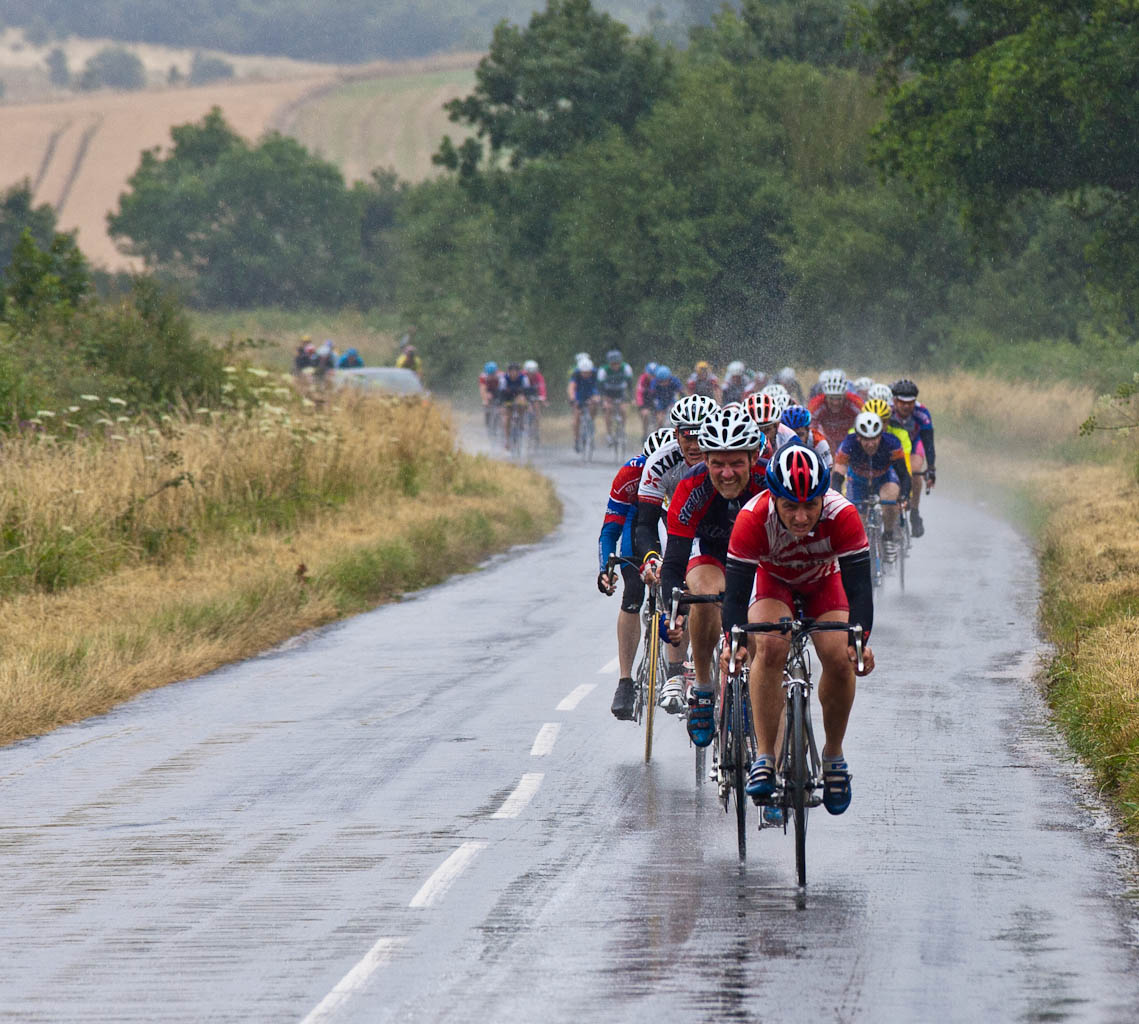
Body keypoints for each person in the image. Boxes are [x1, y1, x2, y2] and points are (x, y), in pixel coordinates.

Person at [720, 441, 875, 816]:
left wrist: (861, 640)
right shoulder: (752, 517)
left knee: (840, 658)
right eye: (790, 505)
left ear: (824, 497)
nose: (802, 517)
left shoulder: (844, 515)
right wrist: (734, 641)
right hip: (773, 583)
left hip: (825, 583)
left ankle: (834, 755)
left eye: (810, 505)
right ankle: (765, 756)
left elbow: (859, 592)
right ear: (773, 499)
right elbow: (736, 597)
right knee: (770, 648)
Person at [654, 406, 768, 748]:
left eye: (736, 463)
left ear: (753, 458)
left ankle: (759, 688)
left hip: (761, 556)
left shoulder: (769, 481)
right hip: (711, 554)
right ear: (704, 459)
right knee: (702, 595)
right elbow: (673, 563)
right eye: (717, 463)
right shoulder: (693, 487)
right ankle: (703, 689)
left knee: (765, 621)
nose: (727, 473)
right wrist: (672, 610)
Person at [634, 393, 721, 710]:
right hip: (677, 528)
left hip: (720, 528)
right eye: (688, 434)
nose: (695, 442)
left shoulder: (725, 460)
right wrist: (650, 558)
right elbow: (644, 525)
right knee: (674, 587)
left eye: (702, 433)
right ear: (675, 434)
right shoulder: (661, 463)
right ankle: (673, 671)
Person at [599, 427, 677, 720]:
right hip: (637, 520)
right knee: (632, 591)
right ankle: (625, 680)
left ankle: (680, 668)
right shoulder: (630, 474)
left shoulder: (678, 472)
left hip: (671, 518)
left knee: (682, 586)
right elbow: (610, 530)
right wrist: (605, 568)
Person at [831, 410, 911, 560]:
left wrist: (905, 495)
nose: (870, 443)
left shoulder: (892, 443)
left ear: (881, 435)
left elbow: (904, 475)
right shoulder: (848, 445)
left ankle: (888, 536)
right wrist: (836, 496)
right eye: (866, 439)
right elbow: (838, 475)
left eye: (874, 438)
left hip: (884, 478)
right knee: (857, 524)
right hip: (858, 482)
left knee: (890, 498)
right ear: (858, 437)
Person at [888, 379, 936, 538]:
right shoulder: (887, 411)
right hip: (893, 446)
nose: (907, 406)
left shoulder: (922, 413)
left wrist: (931, 468)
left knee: (914, 471)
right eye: (902, 402)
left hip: (914, 444)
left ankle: (914, 513)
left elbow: (928, 442)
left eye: (911, 402)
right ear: (894, 400)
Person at [807, 373, 863, 449]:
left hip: (849, 439)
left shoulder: (855, 402)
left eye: (839, 398)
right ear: (825, 396)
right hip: (827, 439)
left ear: (845, 396)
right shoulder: (816, 404)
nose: (835, 403)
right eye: (831, 399)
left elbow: (864, 420)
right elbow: (810, 429)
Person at [743, 392, 798, 466]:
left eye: (766, 430)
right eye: (755, 431)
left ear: (777, 426)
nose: (761, 436)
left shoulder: (790, 438)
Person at [597, 349, 634, 447]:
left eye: (617, 363)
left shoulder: (626, 368)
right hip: (608, 393)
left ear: (620, 362)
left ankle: (623, 430)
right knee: (608, 409)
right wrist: (602, 400)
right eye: (613, 364)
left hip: (621, 392)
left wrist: (632, 398)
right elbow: (600, 388)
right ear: (609, 363)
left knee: (623, 409)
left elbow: (630, 385)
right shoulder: (603, 370)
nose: (615, 366)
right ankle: (609, 434)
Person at [568, 358, 600, 451]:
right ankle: (577, 440)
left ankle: (591, 423)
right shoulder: (576, 374)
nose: (586, 374)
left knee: (594, 405)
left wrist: (598, 397)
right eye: (584, 372)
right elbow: (571, 387)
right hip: (579, 395)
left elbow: (599, 386)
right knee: (577, 417)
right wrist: (572, 399)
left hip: (591, 393)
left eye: (588, 372)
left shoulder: (595, 373)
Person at [497, 362, 532, 449]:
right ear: (508, 372)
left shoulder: (524, 378)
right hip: (507, 398)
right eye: (511, 371)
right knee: (506, 418)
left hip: (519, 397)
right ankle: (507, 440)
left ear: (518, 372)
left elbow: (527, 392)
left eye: (516, 371)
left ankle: (521, 421)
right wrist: (501, 405)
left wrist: (528, 403)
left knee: (522, 401)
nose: (514, 373)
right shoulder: (503, 379)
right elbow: (501, 394)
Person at [634, 362, 659, 440]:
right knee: (645, 415)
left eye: (654, 375)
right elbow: (639, 393)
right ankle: (644, 433)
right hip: (644, 400)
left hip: (655, 400)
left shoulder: (659, 379)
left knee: (659, 417)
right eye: (650, 375)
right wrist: (641, 405)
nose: (652, 377)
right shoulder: (642, 378)